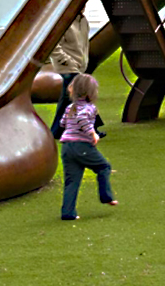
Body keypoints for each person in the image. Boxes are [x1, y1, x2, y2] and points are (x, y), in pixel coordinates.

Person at [59, 73, 117, 220]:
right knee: (104, 167)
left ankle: (68, 212)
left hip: (67, 147)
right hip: (81, 146)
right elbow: (82, 118)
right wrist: (92, 134)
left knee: (72, 181)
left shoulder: (70, 107)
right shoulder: (90, 108)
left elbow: (62, 124)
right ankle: (106, 196)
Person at [49, 13, 105, 139]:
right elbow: (53, 45)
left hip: (78, 65)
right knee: (80, 95)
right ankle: (92, 127)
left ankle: (57, 131)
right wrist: (66, 61)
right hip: (67, 66)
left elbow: (84, 44)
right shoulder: (64, 21)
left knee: (70, 98)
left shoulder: (83, 20)